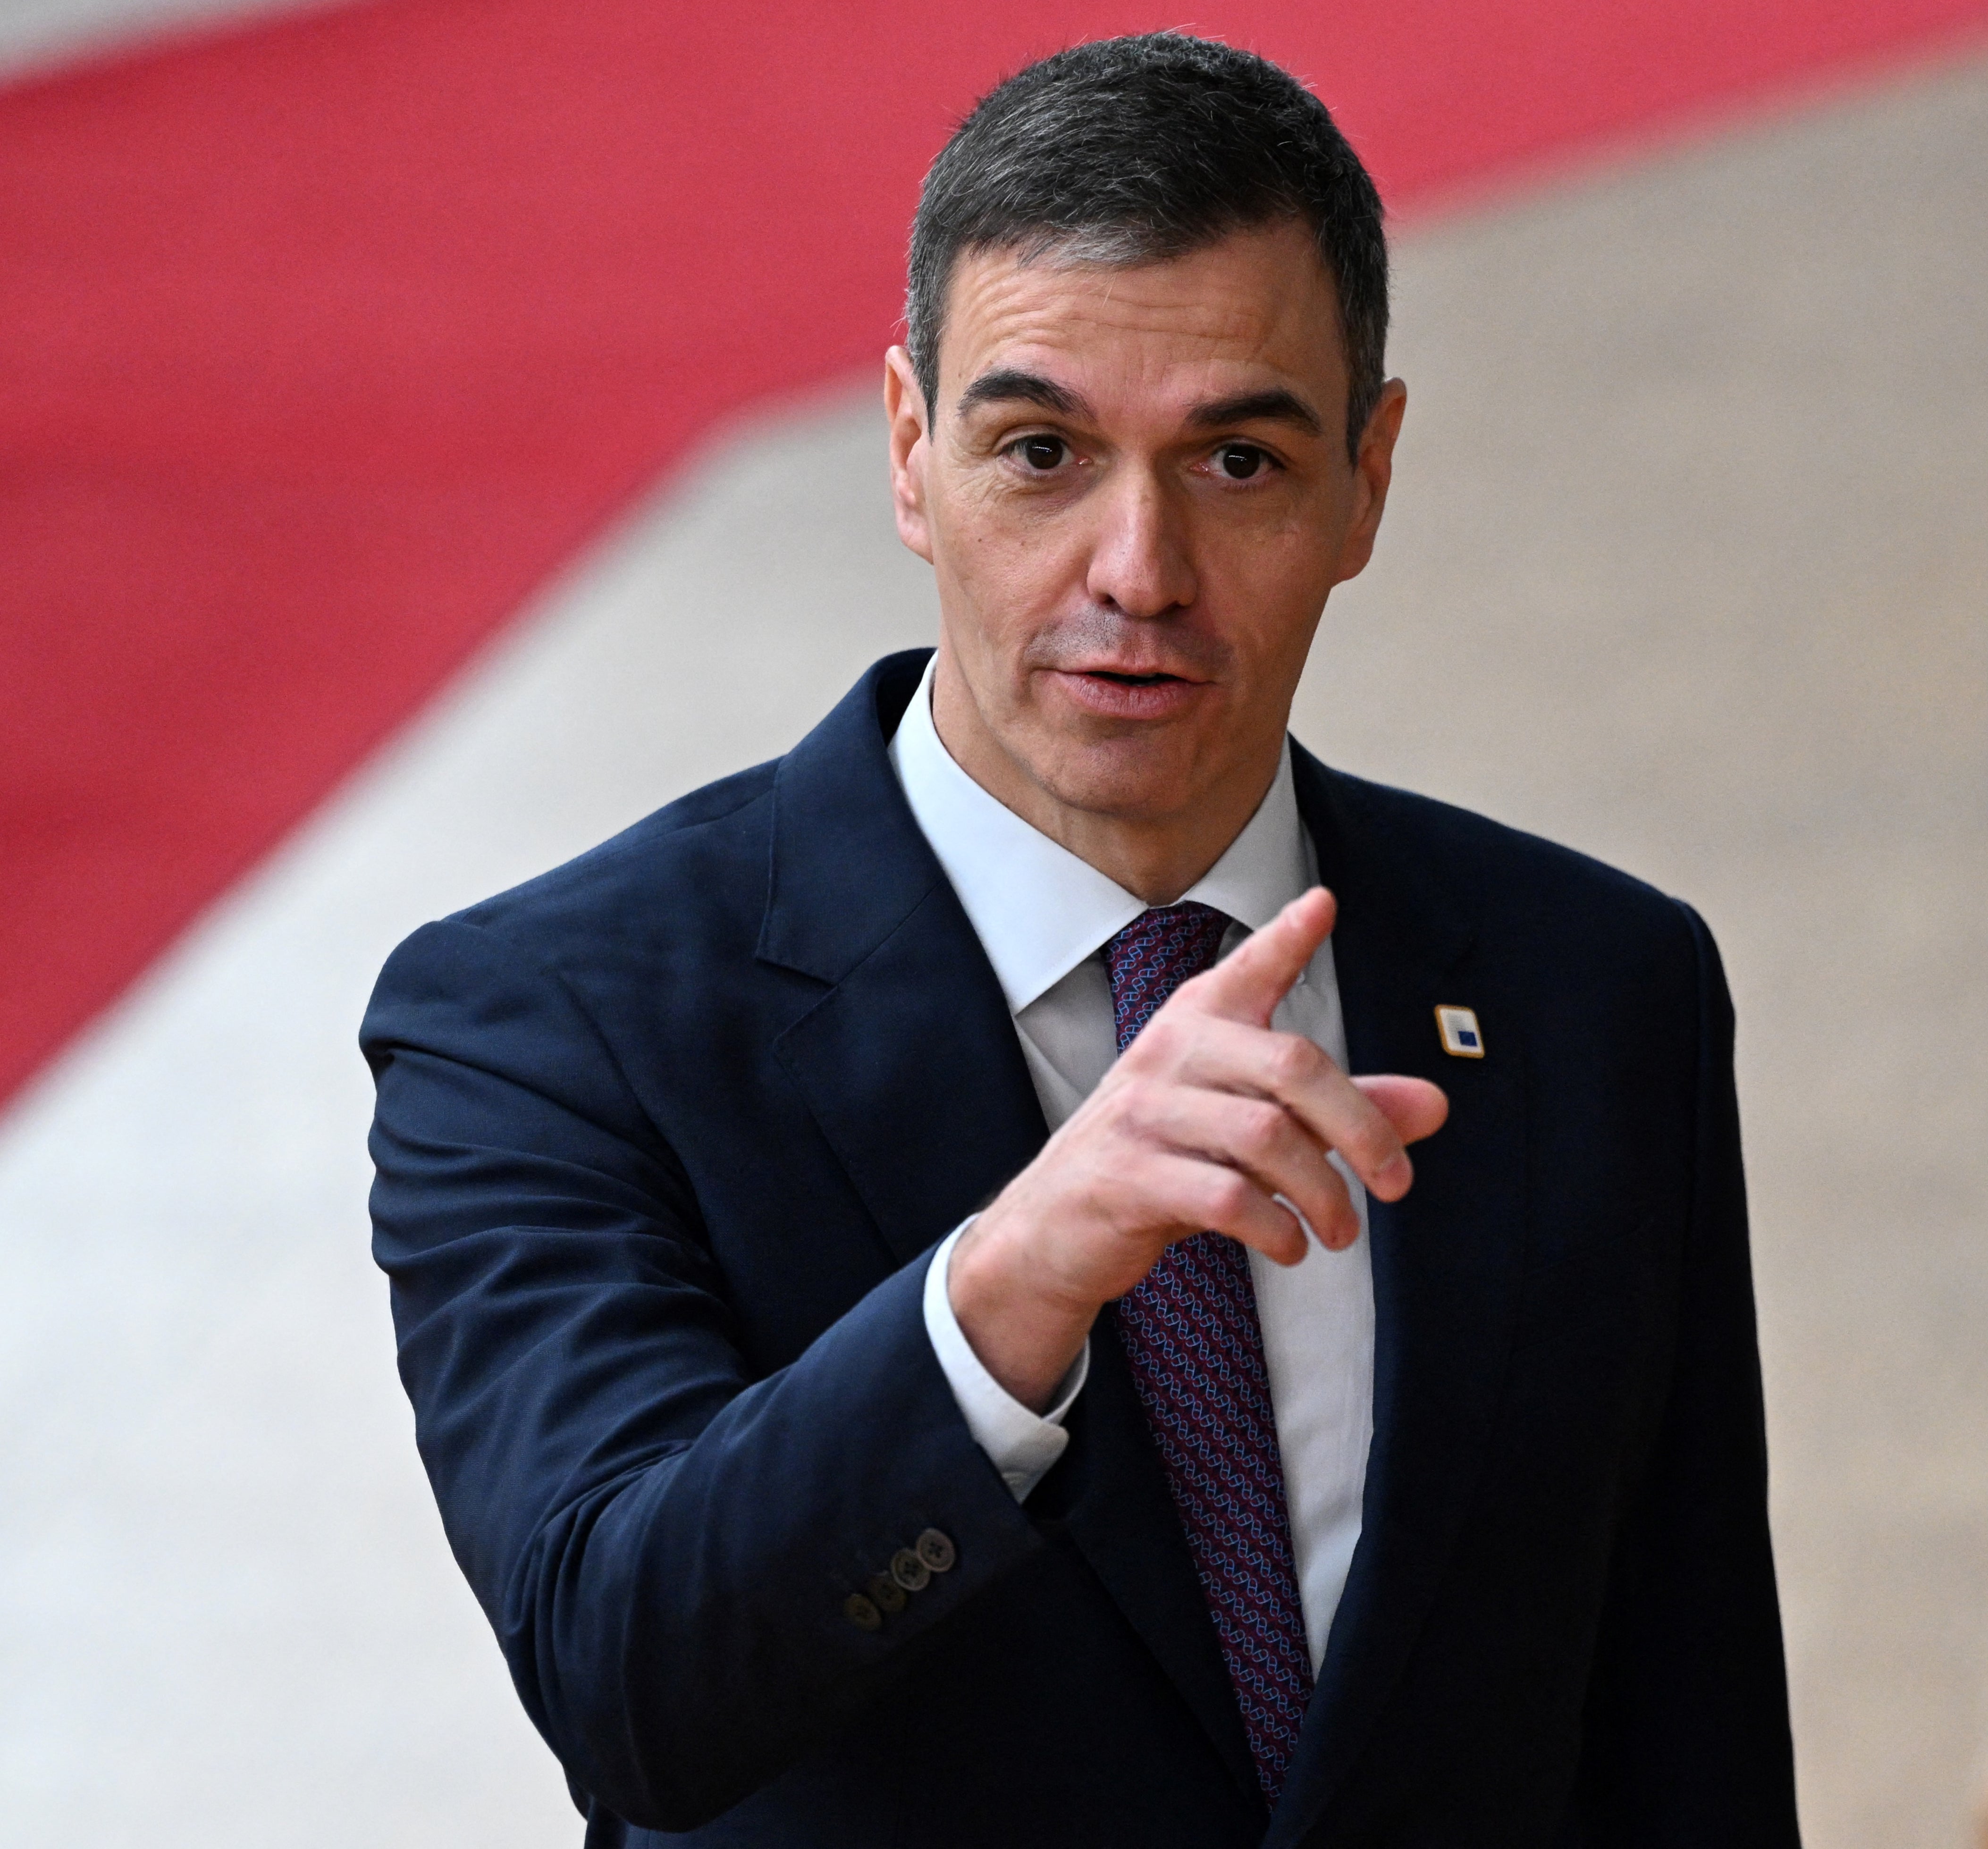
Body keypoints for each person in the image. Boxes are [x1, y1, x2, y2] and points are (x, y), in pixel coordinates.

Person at [362, 32, 1795, 1847]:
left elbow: (1687, 1734)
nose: (1138, 567)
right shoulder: (549, 1021)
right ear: (909, 456)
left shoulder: (1597, 989)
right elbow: (629, 1679)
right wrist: (1016, 1281)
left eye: (1240, 464)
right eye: (1040, 453)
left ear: (1370, 478)